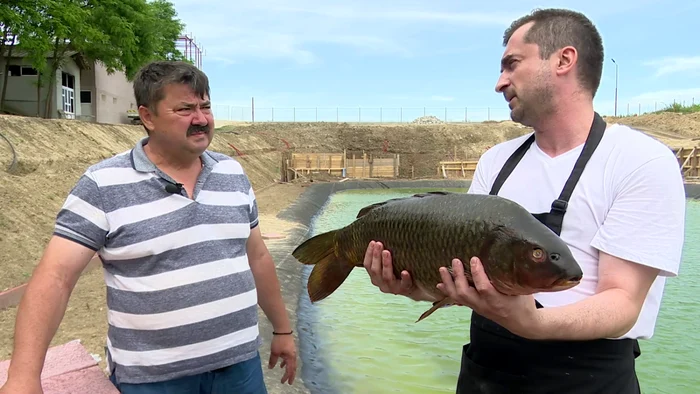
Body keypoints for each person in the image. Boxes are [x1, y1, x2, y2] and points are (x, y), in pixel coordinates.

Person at [363, 8, 686, 394]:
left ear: (564, 60)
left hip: (586, 378)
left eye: (512, 65)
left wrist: (533, 323)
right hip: (486, 368)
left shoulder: (639, 160)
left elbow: (623, 302)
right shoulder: (496, 161)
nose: (500, 83)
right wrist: (416, 285)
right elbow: (469, 280)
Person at [0, 61, 297, 394]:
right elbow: (55, 277)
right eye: (185, 109)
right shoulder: (103, 185)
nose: (200, 119)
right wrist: (23, 377)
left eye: (205, 106)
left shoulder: (233, 174)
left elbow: (256, 257)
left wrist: (283, 330)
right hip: (153, 381)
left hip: (240, 368)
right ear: (147, 117)